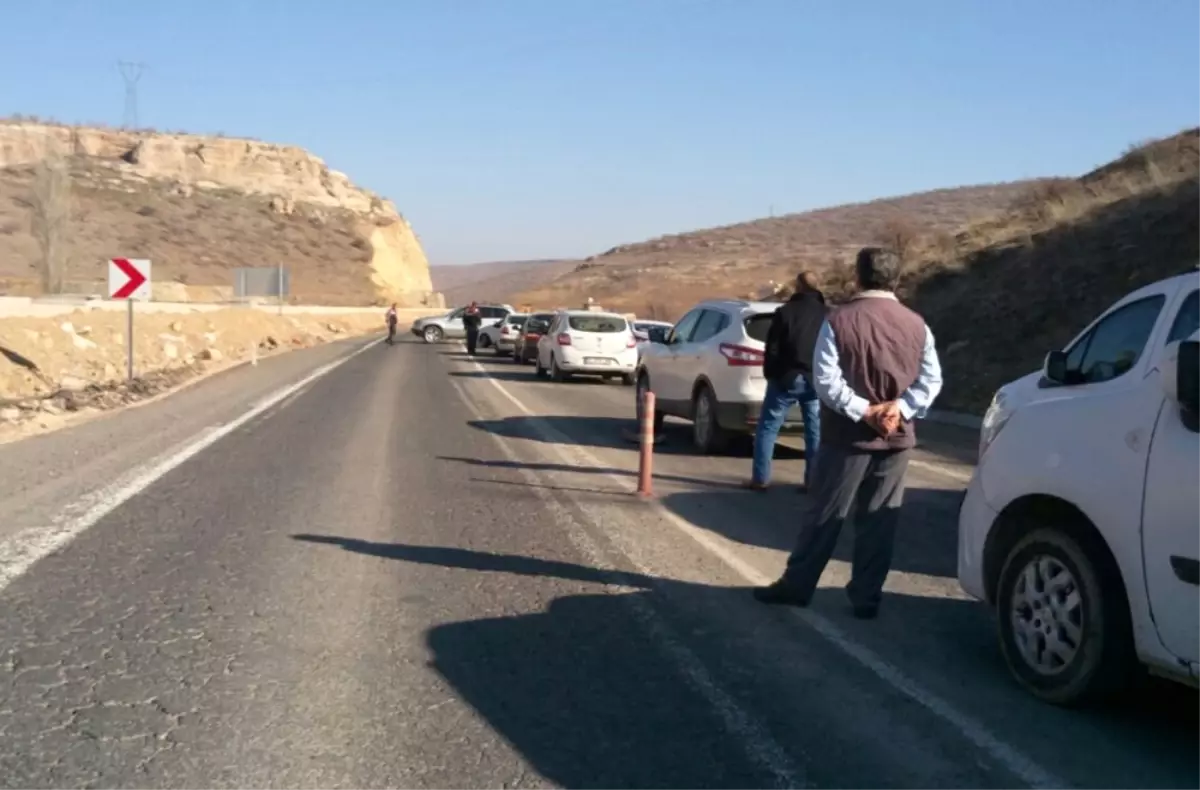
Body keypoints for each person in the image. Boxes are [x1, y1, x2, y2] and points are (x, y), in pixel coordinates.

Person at [753, 247, 943, 620]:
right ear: (897, 280)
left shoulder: (838, 320)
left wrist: (863, 410)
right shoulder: (917, 324)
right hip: (896, 439)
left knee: (825, 514)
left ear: (857, 277)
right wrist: (899, 409)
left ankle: (797, 586)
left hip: (846, 437)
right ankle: (866, 597)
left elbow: (825, 380)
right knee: (880, 519)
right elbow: (930, 380)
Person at [747, 271, 827, 493]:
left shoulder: (785, 313)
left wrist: (771, 374)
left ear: (798, 287)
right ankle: (813, 481)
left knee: (768, 428)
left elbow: (772, 348)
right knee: (815, 431)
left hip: (786, 378)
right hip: (815, 379)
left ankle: (761, 479)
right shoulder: (827, 315)